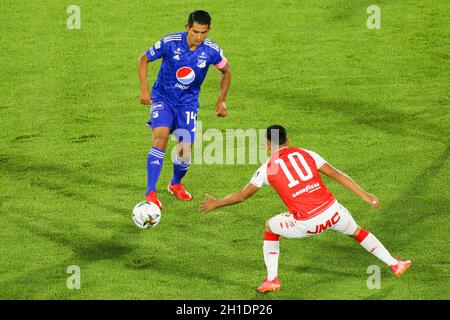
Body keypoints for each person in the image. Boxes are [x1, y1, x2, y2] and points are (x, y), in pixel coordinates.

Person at [200, 125, 411, 293]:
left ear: (267, 145)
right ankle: (394, 263)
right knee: (357, 232)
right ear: (288, 141)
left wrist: (216, 202)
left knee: (270, 227)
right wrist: (366, 195)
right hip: (334, 211)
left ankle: (272, 279)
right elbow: (338, 174)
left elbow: (242, 195)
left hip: (308, 222)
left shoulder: (267, 168)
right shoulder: (307, 153)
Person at [137, 10, 231, 209]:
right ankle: (150, 193)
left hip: (187, 103)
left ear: (209, 31)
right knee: (160, 137)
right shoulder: (170, 42)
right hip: (163, 98)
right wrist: (144, 90)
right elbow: (143, 59)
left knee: (185, 151)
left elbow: (226, 71)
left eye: (203, 33)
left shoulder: (212, 51)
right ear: (187, 27)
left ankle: (175, 183)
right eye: (195, 31)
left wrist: (221, 100)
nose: (199, 37)